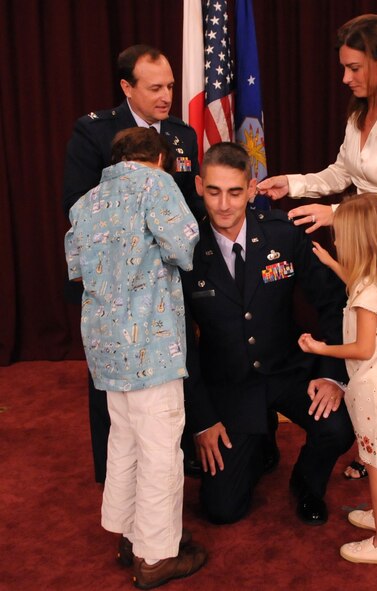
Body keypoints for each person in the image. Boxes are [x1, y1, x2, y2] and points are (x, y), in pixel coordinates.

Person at [257, 14, 377, 498]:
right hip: (365, 244)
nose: (346, 78)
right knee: (366, 344)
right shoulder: (359, 115)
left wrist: (337, 215)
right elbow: (342, 171)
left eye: (354, 67)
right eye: (343, 68)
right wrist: (294, 184)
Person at [180, 142, 355, 526]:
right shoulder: (184, 250)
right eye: (213, 191)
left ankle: (307, 484)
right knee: (222, 510)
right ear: (198, 186)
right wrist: (203, 420)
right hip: (230, 385)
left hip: (288, 369)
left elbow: (333, 302)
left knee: (338, 427)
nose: (224, 204)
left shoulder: (281, 234)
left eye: (235, 191)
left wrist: (331, 374)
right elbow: (181, 346)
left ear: (252, 188)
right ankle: (259, 442)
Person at [64, 127, 206, 588]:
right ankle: (157, 556)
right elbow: (185, 243)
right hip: (152, 343)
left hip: (106, 348)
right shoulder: (155, 184)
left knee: (123, 440)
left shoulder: (84, 204)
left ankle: (129, 536)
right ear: (159, 159)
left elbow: (76, 269)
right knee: (162, 448)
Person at [63, 44, 203, 484]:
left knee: (175, 375)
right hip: (117, 292)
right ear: (127, 87)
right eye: (155, 87)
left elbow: (191, 207)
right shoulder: (95, 133)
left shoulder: (181, 134)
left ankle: (183, 457)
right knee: (115, 397)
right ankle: (118, 477)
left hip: (171, 284)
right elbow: (77, 206)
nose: (166, 96)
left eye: (171, 87)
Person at [299, 193, 377, 565]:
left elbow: (361, 348)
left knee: (376, 467)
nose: (337, 241)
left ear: (362, 241)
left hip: (375, 390)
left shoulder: (367, 293)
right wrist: (332, 263)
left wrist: (321, 350)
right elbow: (358, 283)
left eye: (341, 236)